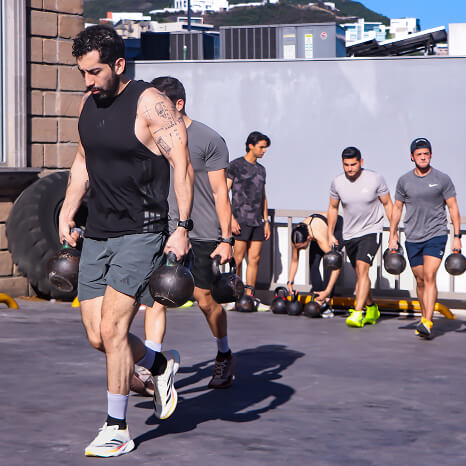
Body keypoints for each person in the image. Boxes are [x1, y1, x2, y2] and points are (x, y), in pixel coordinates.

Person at [60, 26, 194, 457]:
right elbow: (83, 160)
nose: (88, 81)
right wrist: (67, 210)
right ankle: (159, 364)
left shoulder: (149, 102)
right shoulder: (87, 104)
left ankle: (116, 428)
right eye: (83, 72)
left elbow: (181, 162)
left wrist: (182, 226)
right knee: (97, 336)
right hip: (98, 232)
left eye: (95, 72)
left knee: (114, 329)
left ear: (118, 65)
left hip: (142, 231)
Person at [136, 76, 237, 390]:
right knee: (158, 297)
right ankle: (152, 366)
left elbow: (221, 193)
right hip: (165, 231)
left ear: (178, 104)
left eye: (161, 104)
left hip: (202, 232)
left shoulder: (209, 139)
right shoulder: (150, 136)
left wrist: (226, 239)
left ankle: (224, 354)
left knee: (205, 301)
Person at [389, 138, 462, 339]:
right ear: (412, 157)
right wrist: (393, 235)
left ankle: (428, 322)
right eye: (419, 154)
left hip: (436, 234)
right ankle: (424, 318)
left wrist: (456, 236)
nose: (423, 157)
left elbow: (453, 207)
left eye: (426, 154)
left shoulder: (442, 179)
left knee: (429, 276)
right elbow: (397, 208)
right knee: (420, 280)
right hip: (412, 236)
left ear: (431, 155)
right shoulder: (404, 181)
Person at [327, 146, 393, 328]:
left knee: (363, 270)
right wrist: (330, 233)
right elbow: (333, 208)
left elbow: (388, 204)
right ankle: (371, 308)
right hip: (349, 233)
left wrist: (393, 232)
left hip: (372, 230)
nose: (350, 168)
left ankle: (357, 313)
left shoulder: (375, 178)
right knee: (360, 274)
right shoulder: (337, 182)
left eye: (353, 164)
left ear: (361, 162)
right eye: (346, 165)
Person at [227, 131, 271, 300]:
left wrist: (266, 221)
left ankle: (249, 295)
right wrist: (231, 219)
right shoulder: (235, 165)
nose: (264, 150)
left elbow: (263, 195)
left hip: (257, 221)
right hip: (240, 220)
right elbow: (224, 192)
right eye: (261, 147)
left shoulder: (261, 169)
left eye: (265, 147)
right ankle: (234, 294)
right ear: (251, 146)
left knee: (255, 258)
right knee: (237, 259)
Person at [288, 212, 344, 316]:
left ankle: (327, 302)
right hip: (317, 227)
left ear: (308, 238)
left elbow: (336, 265)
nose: (300, 249)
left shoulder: (319, 236)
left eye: (302, 247)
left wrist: (327, 291)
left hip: (335, 226)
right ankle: (318, 297)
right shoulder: (295, 238)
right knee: (313, 265)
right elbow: (294, 261)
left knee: (329, 263)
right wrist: (290, 282)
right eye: (298, 248)